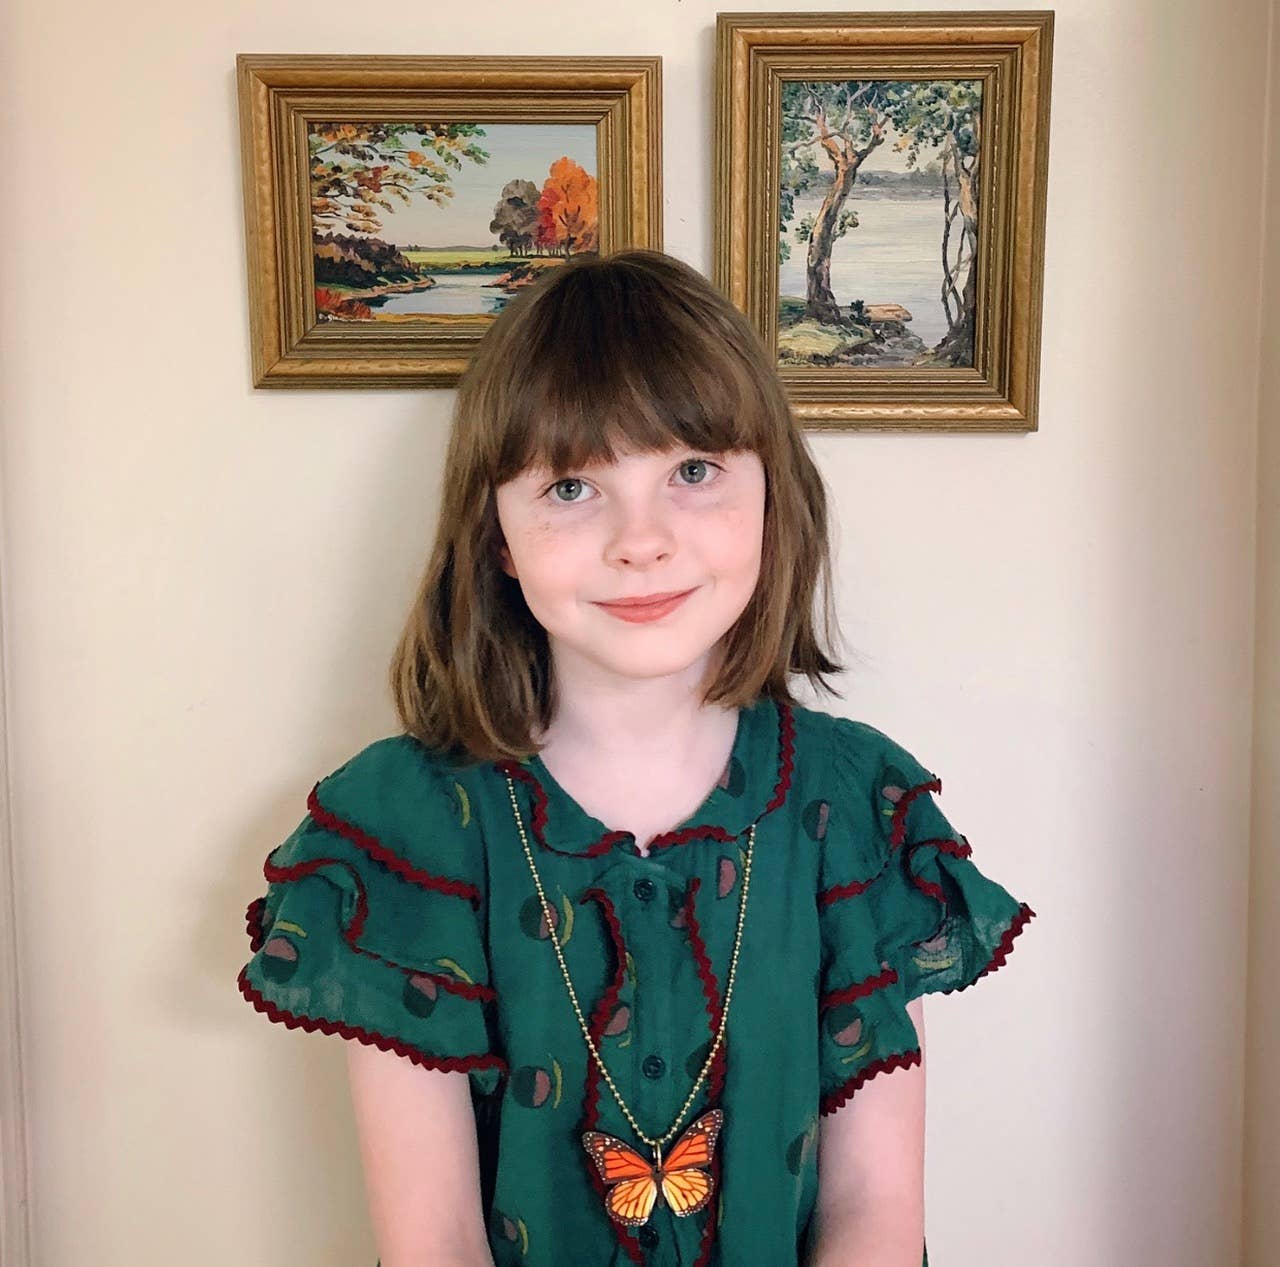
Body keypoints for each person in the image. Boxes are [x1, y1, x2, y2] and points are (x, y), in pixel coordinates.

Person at [236, 247, 1036, 1267]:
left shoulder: (852, 806)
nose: (640, 540)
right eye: (572, 487)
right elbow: (430, 1240)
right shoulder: (404, 826)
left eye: (691, 472)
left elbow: (872, 1206)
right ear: (493, 535)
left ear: (770, 494)